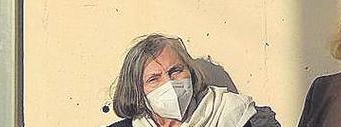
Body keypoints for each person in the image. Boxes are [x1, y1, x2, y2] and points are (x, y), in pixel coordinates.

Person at [108, 34, 256, 127]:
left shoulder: (228, 114)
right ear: (138, 92)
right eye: (154, 79)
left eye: (176, 71)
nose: (169, 83)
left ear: (191, 72)